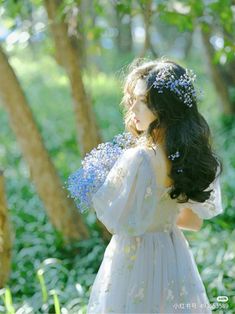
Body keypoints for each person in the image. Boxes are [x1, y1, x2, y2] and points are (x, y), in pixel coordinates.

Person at [86, 58, 223, 313]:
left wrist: (102, 185)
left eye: (144, 101)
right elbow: (194, 222)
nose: (133, 109)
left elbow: (118, 222)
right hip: (173, 253)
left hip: (134, 260)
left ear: (166, 108)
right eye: (132, 100)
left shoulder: (139, 158)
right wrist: (163, 215)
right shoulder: (187, 158)